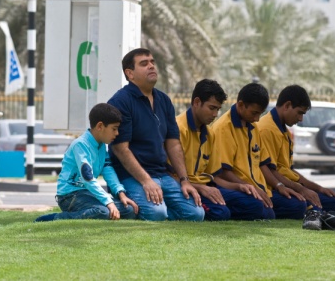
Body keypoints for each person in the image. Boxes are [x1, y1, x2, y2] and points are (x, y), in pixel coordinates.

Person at [107, 48, 204, 221]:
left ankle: (156, 209)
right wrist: (146, 181)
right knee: (156, 213)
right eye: (144, 64)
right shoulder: (121, 101)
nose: (151, 66)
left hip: (162, 174)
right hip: (131, 176)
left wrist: (184, 180)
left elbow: (173, 143)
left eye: (152, 62)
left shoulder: (164, 100)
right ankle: (125, 202)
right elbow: (121, 149)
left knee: (196, 214)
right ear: (130, 73)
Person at [258, 84, 335, 231]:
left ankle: (320, 214)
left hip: (286, 184)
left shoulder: (284, 131)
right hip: (272, 188)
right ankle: (317, 215)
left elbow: (288, 171)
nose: (300, 119)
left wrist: (318, 188)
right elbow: (268, 169)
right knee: (298, 205)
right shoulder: (267, 129)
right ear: (287, 106)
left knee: (333, 201)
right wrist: (301, 190)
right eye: (299, 113)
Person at [211, 82, 306, 220]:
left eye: (260, 114)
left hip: (260, 189)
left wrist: (279, 186)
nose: (257, 119)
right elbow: (224, 172)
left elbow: (263, 164)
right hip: (238, 188)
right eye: (254, 113)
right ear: (241, 105)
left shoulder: (253, 127)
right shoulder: (223, 128)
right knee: (258, 207)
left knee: (298, 204)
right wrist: (248, 187)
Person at [34, 103, 138, 222]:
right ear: (100, 126)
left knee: (129, 209)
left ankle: (97, 210)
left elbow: (108, 170)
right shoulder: (81, 145)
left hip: (88, 194)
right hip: (70, 195)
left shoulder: (102, 146)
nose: (117, 133)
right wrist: (108, 202)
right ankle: (54, 218)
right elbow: (87, 177)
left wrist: (121, 193)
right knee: (103, 212)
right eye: (114, 129)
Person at [172, 79, 231, 221]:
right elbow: (168, 174)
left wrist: (239, 187)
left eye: (218, 109)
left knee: (256, 205)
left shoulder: (210, 134)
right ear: (197, 102)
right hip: (182, 187)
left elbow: (214, 176)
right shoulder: (178, 129)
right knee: (221, 213)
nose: (215, 114)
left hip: (206, 187)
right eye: (212, 108)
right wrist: (200, 188)